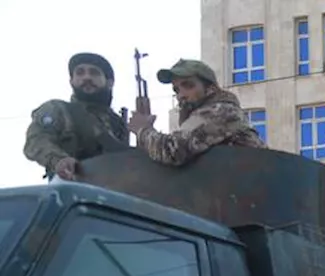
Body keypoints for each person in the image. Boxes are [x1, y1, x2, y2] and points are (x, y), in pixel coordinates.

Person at [126, 60, 263, 167]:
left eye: (188, 86)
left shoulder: (221, 111)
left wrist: (142, 130)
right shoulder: (212, 112)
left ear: (210, 89)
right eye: (176, 90)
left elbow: (173, 150)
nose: (181, 96)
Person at [24, 52, 131, 181]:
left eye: (94, 72)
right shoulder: (59, 109)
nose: (86, 77)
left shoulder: (117, 123)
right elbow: (36, 141)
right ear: (72, 81)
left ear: (109, 82)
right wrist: (59, 160)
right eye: (80, 72)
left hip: (114, 192)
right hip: (72, 190)